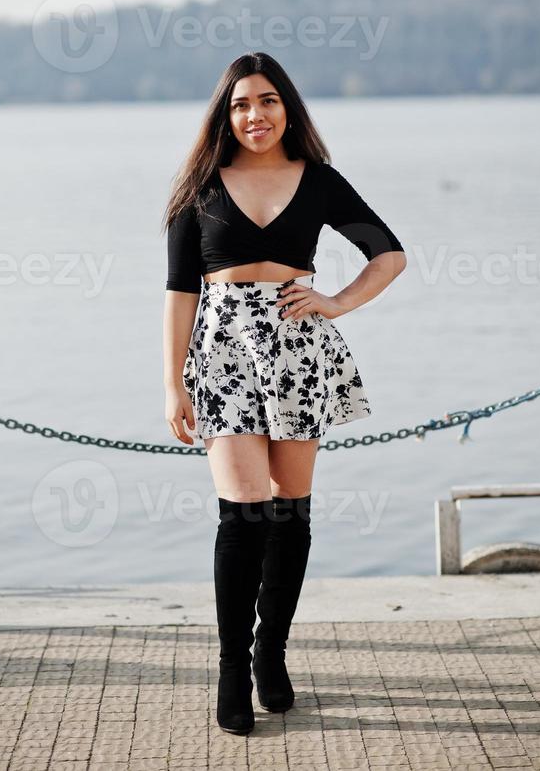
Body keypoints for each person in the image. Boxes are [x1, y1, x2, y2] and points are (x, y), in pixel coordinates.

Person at [162, 51, 407, 735]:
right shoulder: (201, 188)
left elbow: (388, 255)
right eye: (241, 105)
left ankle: (272, 653)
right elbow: (180, 293)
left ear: (287, 108)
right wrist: (172, 382)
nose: (254, 115)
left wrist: (334, 302)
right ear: (226, 114)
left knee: (290, 514)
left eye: (266, 101)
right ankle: (232, 670)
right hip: (221, 354)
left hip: (299, 352)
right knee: (242, 513)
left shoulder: (320, 182)